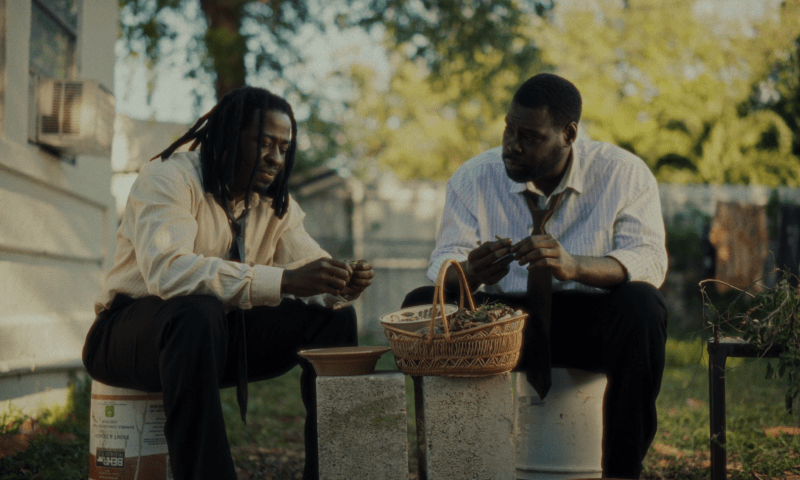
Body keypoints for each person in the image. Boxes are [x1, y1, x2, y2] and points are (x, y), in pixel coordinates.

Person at [82, 86, 374, 480]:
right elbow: (169, 272)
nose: (276, 157)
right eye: (265, 142)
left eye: (284, 147)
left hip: (214, 338)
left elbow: (309, 268)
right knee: (195, 309)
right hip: (129, 337)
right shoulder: (170, 178)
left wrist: (339, 283)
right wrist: (285, 280)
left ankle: (336, 471)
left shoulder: (275, 205)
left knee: (334, 321)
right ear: (230, 136)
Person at [402, 73, 668, 479]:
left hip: (587, 320)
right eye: (509, 129)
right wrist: (469, 271)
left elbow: (649, 259)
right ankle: (454, 466)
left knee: (643, 306)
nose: (512, 145)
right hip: (498, 326)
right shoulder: (474, 177)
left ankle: (621, 472)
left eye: (530, 136)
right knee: (421, 302)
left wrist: (575, 265)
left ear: (569, 134)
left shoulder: (623, 173)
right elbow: (444, 263)